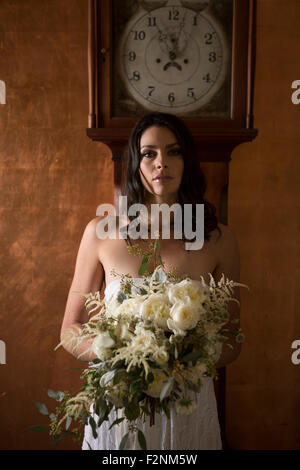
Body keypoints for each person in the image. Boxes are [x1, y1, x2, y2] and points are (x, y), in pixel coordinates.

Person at [60, 112, 241, 450]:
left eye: (174, 152)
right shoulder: (100, 234)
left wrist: (182, 357)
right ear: (135, 163)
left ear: (187, 161)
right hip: (118, 403)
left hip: (187, 404)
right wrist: (116, 355)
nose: (162, 163)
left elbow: (233, 338)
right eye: (149, 153)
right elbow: (70, 328)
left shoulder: (219, 240)